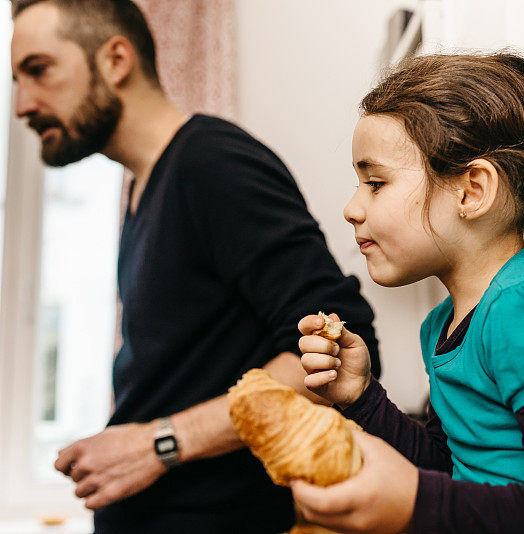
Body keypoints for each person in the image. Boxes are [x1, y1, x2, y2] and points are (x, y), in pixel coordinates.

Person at [10, 1, 381, 533]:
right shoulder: (145, 185)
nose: (23, 104)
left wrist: (158, 443)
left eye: (39, 70)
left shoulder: (211, 162)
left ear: (116, 60)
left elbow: (339, 345)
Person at [292, 52, 524, 534]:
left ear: (471, 191)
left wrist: (415, 502)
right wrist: (361, 397)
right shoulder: (444, 326)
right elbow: (452, 468)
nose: (351, 208)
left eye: (376, 183)